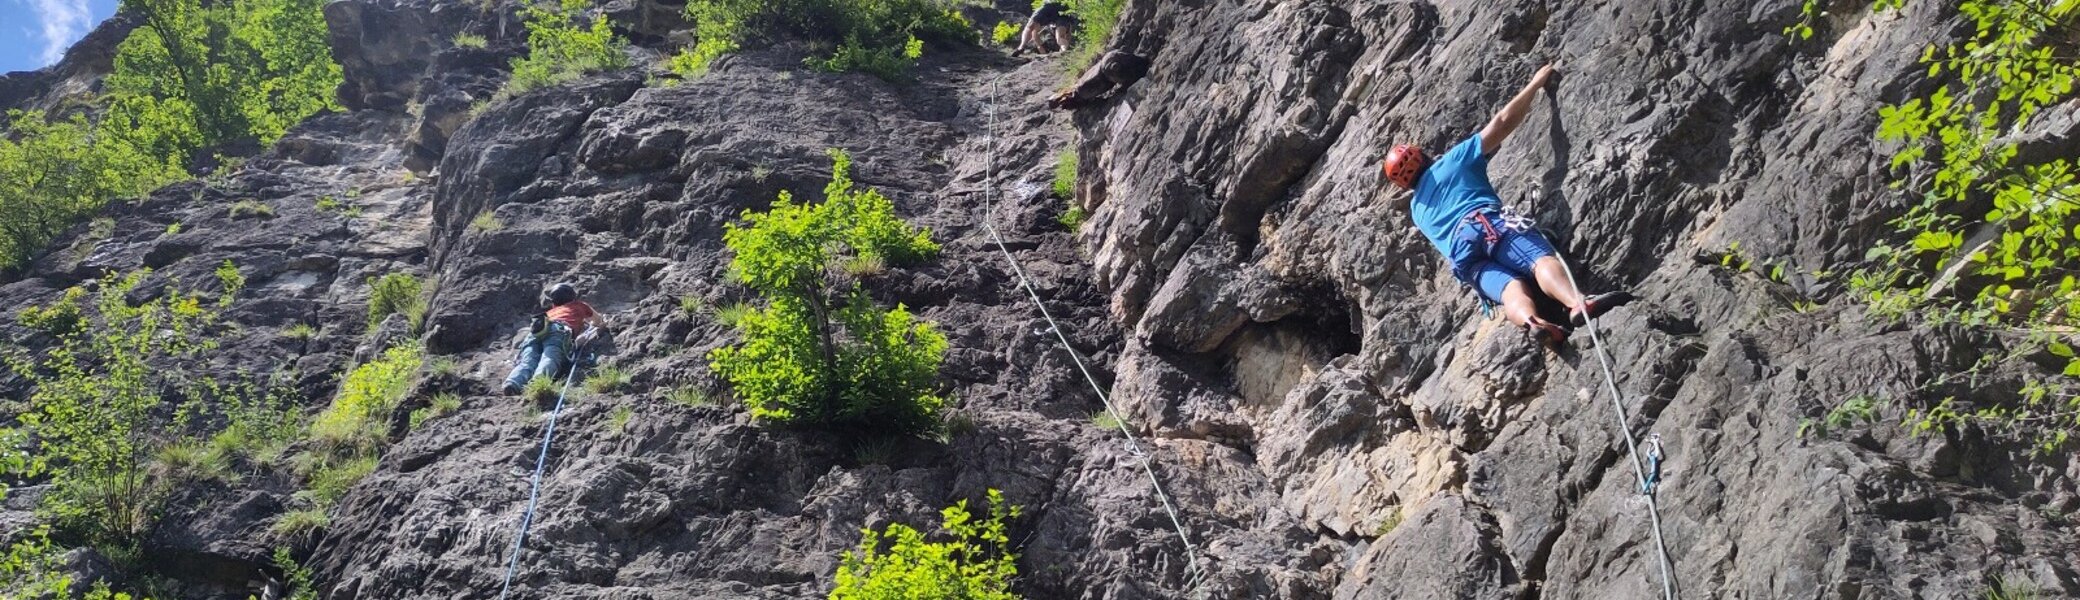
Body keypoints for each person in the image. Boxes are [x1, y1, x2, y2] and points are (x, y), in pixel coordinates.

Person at [1382, 63, 1631, 346]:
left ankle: (1532, 321)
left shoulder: (1418, 211)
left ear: (1403, 183)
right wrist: (1536, 84)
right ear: (1421, 155)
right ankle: (1576, 303)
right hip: (1487, 225)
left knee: (1512, 289)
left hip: (1464, 258)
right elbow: (1501, 122)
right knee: (1538, 260)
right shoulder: (1452, 161)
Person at [503, 282, 610, 394]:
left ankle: (513, 382)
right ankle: (537, 385)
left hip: (537, 330)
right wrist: (595, 325)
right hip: (558, 330)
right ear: (572, 297)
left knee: (528, 360)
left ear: (554, 302)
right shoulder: (578, 305)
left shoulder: (550, 312)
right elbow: (598, 321)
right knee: (550, 357)